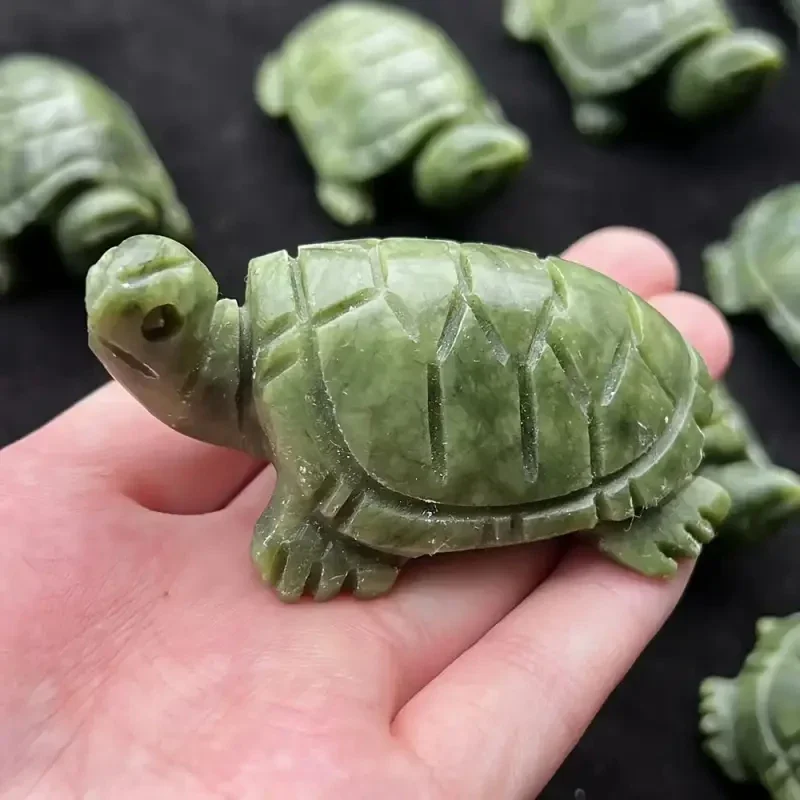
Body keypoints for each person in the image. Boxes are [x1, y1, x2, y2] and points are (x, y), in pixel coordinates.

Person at [0, 227, 732, 798]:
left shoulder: (278, 386)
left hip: (608, 412)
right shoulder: (287, 320)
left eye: (159, 322)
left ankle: (649, 499)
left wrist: (331, 523)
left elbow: (344, 510)